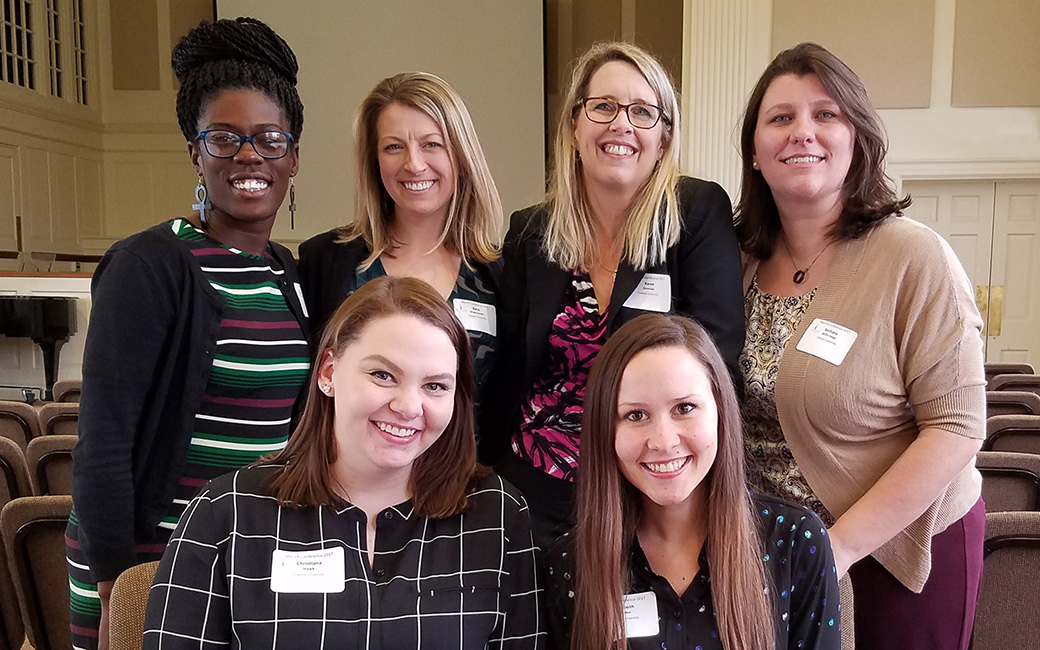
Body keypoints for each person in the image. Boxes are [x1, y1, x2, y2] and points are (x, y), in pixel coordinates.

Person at [68, 17, 309, 650]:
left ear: (293, 157)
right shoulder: (149, 264)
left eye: (269, 139)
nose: (250, 156)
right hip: (152, 559)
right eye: (224, 138)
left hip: (249, 555)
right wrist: (122, 584)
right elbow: (103, 444)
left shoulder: (289, 273)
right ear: (194, 151)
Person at [735, 42, 985, 650]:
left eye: (826, 115)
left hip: (903, 548)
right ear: (755, 153)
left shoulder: (912, 256)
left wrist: (835, 549)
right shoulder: (734, 261)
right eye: (781, 118)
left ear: (858, 139)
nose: (803, 133)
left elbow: (957, 426)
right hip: (771, 552)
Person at [143, 276, 545, 650]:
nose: (408, 406)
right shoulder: (226, 512)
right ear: (329, 373)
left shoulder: (499, 516)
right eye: (383, 375)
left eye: (435, 386)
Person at [481, 42, 744, 547]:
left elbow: (717, 355)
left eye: (643, 112)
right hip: (537, 480)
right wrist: (483, 466)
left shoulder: (694, 212)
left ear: (664, 138)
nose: (620, 124)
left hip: (650, 477)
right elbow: (512, 362)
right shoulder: (532, 232)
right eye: (603, 107)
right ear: (574, 126)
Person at [544, 313, 840, 650]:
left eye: (684, 408)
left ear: (720, 411)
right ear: (605, 431)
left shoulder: (795, 541)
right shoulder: (569, 564)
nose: (663, 441)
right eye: (636, 415)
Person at [298, 72, 502, 425]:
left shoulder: (500, 273)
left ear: (461, 155)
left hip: (464, 476)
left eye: (432, 144)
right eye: (394, 147)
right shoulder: (326, 261)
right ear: (374, 162)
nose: (414, 164)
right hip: (349, 476)